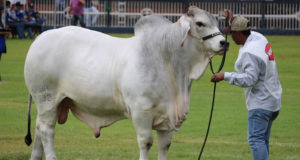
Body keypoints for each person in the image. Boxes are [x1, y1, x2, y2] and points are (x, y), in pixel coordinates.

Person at [211, 12, 282, 160]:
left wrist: (225, 76)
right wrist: (233, 19)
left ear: (238, 33)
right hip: (274, 98)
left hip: (261, 103)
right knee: (262, 140)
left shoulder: (250, 52)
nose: (230, 36)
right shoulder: (258, 37)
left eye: (231, 33)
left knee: (256, 140)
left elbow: (250, 79)